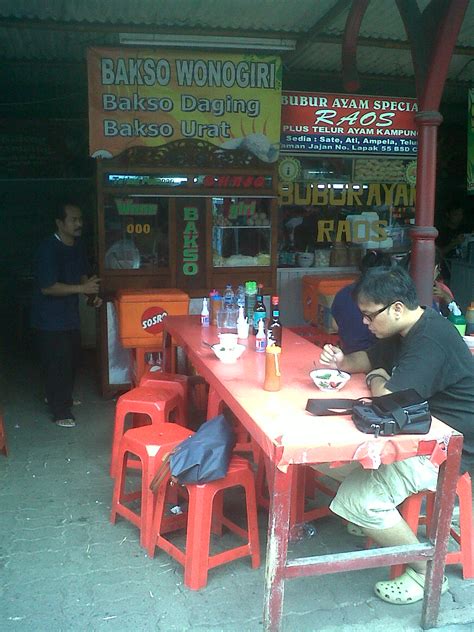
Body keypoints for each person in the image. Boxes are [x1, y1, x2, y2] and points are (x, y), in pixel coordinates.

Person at [319, 265, 474, 605]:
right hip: (421, 433)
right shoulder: (403, 332)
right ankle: (381, 522)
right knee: (325, 462)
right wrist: (341, 361)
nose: (364, 323)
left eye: (368, 316)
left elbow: (387, 399)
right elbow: (367, 359)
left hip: (450, 449)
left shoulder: (431, 338)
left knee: (359, 498)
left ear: (397, 309)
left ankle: (425, 571)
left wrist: (376, 377)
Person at [31, 201, 102, 428]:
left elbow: (82, 275)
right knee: (57, 363)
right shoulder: (47, 249)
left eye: (80, 219)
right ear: (60, 223)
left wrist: (91, 296)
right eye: (74, 220)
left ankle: (60, 397)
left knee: (72, 360)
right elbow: (47, 287)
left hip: (70, 316)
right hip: (49, 319)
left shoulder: (77, 247)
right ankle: (60, 410)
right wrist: (83, 290)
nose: (79, 224)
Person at [331, 250, 392, 353]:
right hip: (376, 359)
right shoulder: (384, 296)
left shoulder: (343, 292)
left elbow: (334, 325)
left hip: (349, 355)